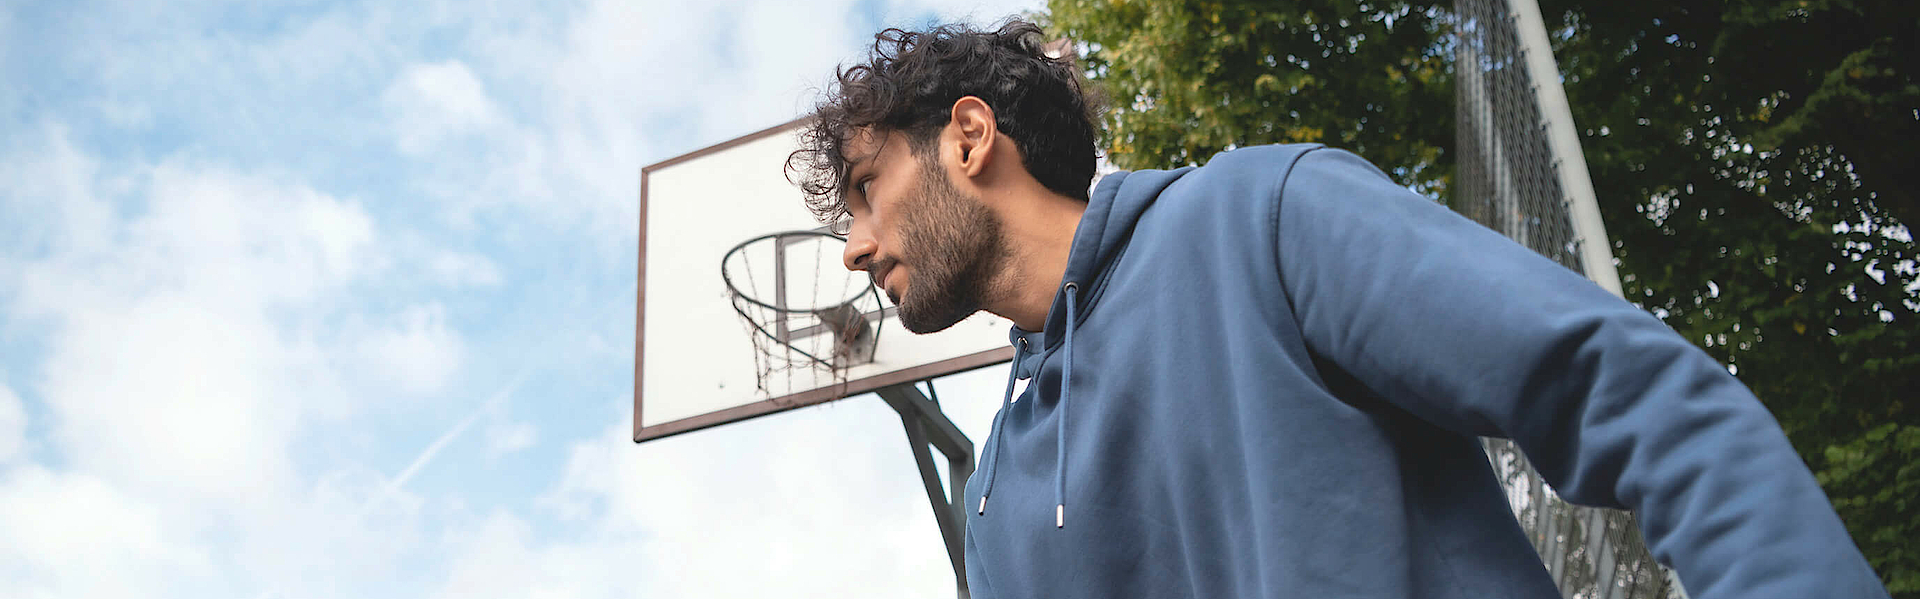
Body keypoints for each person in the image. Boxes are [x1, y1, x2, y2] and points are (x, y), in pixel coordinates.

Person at [785, 19, 1889, 599]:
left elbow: (1630, 393)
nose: (853, 246)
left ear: (969, 138)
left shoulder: (1258, 217)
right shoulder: (998, 502)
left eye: (871, 187)